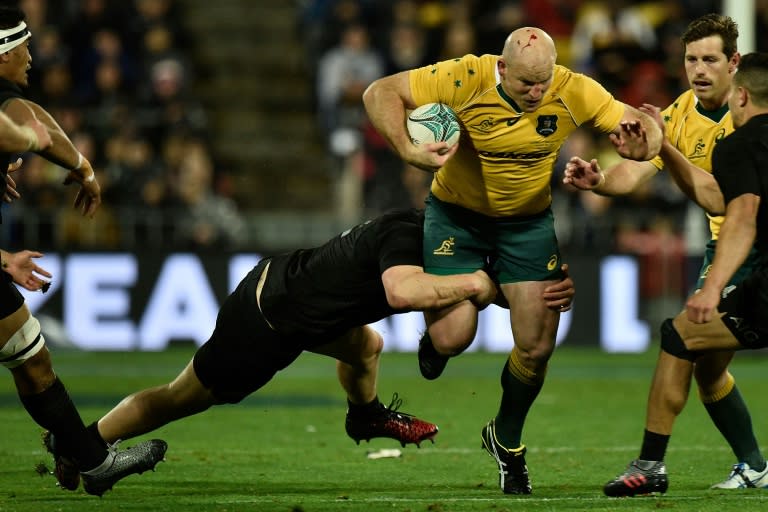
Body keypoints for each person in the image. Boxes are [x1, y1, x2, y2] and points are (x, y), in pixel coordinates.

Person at [54, 208, 574, 482]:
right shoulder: (407, 236)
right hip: (268, 320)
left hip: (298, 298)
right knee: (180, 397)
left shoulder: (436, 237)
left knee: (366, 345)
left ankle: (365, 415)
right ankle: (80, 445)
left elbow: (476, 280)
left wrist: (532, 293)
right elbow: (403, 290)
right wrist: (483, 289)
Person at [361, 26, 662, 495]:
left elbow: (645, 130)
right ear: (502, 68)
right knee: (453, 336)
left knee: (537, 347)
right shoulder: (464, 77)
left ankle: (506, 439)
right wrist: (408, 151)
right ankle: (444, 335)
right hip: (456, 218)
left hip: (526, 224)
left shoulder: (574, 90)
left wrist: (646, 142)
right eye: (526, 84)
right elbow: (380, 91)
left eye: (543, 82)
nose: (536, 93)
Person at [563, 14, 768, 493]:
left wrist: (667, 150)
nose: (699, 69)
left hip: (749, 246)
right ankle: (754, 465)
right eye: (691, 59)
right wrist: (601, 182)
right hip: (727, 245)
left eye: (710, 59)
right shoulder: (677, 114)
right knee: (708, 368)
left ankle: (652, 464)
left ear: (734, 64)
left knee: (684, 339)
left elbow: (722, 199)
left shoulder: (748, 125)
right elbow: (635, 170)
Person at [0, 5, 167, 496]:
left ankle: (87, 456)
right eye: (23, 46)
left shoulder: (9, 98)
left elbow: (31, 118)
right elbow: (25, 128)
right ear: (4, 51)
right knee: (31, 359)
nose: (31, 56)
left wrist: (81, 164)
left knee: (31, 359)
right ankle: (88, 456)